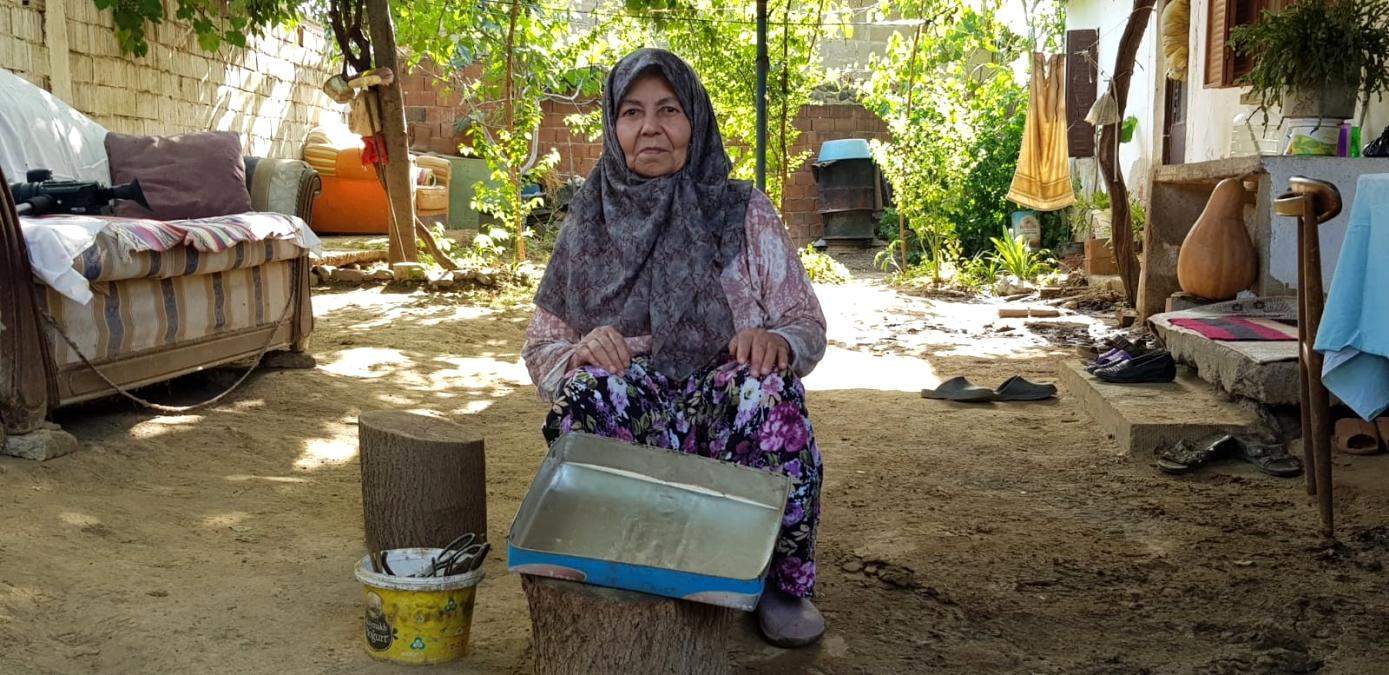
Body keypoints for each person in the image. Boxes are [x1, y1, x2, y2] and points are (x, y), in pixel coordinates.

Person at [522, 48, 828, 648]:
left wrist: (775, 340)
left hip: (723, 395)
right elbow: (542, 346)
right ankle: (613, 562)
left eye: (668, 110)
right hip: (637, 396)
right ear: (614, 127)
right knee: (589, 394)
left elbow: (805, 323)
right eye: (632, 112)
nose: (650, 127)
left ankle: (779, 583)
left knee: (769, 394)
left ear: (696, 120)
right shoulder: (590, 216)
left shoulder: (742, 209)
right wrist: (584, 348)